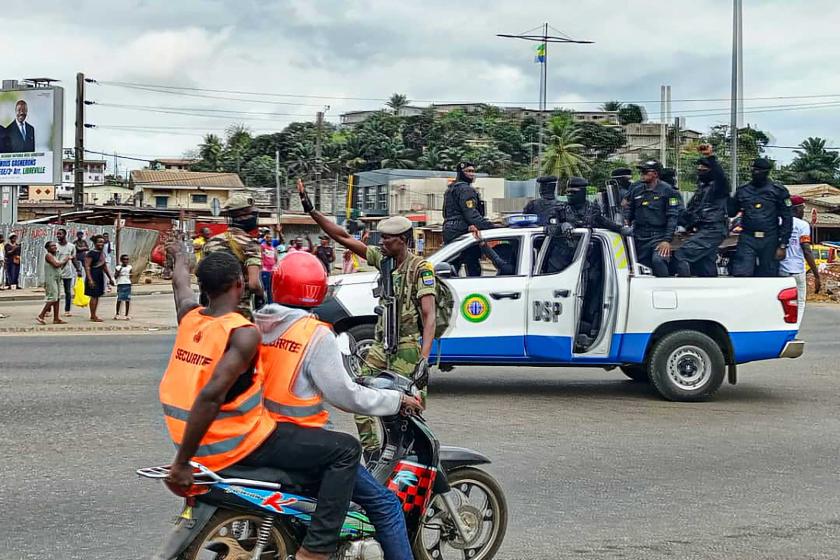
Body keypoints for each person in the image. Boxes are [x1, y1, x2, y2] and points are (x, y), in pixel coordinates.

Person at [162, 246, 357, 560]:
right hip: (240, 442)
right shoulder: (242, 333)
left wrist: (180, 257)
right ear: (239, 284)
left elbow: (179, 285)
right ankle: (317, 549)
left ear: (204, 287)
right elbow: (210, 397)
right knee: (346, 449)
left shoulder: (189, 317)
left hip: (193, 441)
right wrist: (181, 465)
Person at [255, 251, 423, 560]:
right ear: (318, 289)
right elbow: (347, 395)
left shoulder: (258, 324)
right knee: (385, 504)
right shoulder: (314, 334)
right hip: (305, 443)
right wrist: (396, 400)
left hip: (259, 435)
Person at [298, 178, 437, 456]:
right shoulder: (382, 260)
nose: (382, 241)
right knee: (357, 394)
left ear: (403, 240)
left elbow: (429, 314)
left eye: (388, 238)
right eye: (381, 237)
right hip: (380, 345)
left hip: (407, 347)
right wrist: (312, 210)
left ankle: (410, 454)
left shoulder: (421, 269)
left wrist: (424, 358)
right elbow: (343, 237)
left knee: (407, 405)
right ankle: (373, 451)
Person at [201, 192, 265, 318]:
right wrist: (263, 295)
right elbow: (254, 284)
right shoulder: (251, 244)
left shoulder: (211, 243)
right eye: (252, 214)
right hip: (239, 315)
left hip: (212, 314)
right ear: (242, 216)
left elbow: (202, 279)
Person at [672, 145, 731, 278]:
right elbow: (692, 212)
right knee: (705, 263)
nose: (700, 170)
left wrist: (710, 157)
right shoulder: (702, 190)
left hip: (713, 229)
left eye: (704, 169)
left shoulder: (719, 187)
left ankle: (683, 288)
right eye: (698, 169)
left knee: (681, 255)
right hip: (703, 229)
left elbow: (720, 176)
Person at [730, 158, 793, 277]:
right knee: (741, 273)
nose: (755, 173)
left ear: (767, 172)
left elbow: (787, 218)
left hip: (770, 238)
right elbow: (731, 212)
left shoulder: (778, 191)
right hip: (748, 238)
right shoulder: (742, 191)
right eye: (754, 170)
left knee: (768, 275)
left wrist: (783, 245)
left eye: (759, 170)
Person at [623, 160, 682, 277]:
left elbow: (672, 216)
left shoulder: (668, 191)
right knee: (642, 267)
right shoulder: (636, 190)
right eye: (641, 172)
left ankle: (666, 287)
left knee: (658, 261)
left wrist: (667, 240)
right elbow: (630, 210)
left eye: (645, 172)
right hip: (640, 236)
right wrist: (626, 220)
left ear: (655, 174)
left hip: (659, 236)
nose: (642, 174)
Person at [442, 161, 495, 276]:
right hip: (463, 230)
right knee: (473, 265)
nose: (472, 174)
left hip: (449, 230)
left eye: (473, 171)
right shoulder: (466, 190)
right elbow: (471, 214)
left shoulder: (450, 190)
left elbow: (445, 213)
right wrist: (491, 226)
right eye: (468, 171)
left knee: (451, 265)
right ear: (461, 173)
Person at [779, 195, 821, 319]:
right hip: (796, 270)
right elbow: (806, 250)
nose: (803, 211)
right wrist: (816, 275)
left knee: (782, 302)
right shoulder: (802, 225)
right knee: (800, 302)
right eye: (802, 208)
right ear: (797, 209)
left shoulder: (779, 222)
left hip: (780, 269)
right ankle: (795, 330)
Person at [36, 241, 70, 325]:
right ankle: (41, 315)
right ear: (47, 248)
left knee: (57, 298)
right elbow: (56, 264)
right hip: (50, 279)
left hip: (56, 278)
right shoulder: (48, 255)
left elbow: (60, 266)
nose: (55, 247)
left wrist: (65, 261)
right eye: (52, 246)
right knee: (53, 297)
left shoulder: (55, 256)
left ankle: (56, 318)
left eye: (55, 245)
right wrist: (65, 260)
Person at [84, 234, 115, 322]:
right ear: (95, 243)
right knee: (93, 296)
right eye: (99, 242)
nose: (101, 244)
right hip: (93, 275)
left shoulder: (102, 253)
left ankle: (94, 314)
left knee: (97, 296)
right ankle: (93, 315)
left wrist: (110, 278)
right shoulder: (91, 253)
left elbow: (104, 266)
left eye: (102, 242)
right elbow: (87, 266)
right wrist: (90, 279)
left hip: (99, 276)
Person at [54, 228, 80, 316]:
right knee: (54, 292)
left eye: (60, 234)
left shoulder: (71, 246)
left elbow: (74, 258)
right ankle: (50, 309)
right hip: (56, 271)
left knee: (67, 292)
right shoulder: (55, 246)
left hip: (67, 272)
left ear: (65, 235)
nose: (58, 236)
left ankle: (67, 310)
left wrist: (78, 269)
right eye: (57, 234)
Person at [114, 254, 133, 320]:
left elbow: (131, 276)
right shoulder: (118, 267)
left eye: (127, 259)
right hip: (120, 284)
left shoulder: (130, 267)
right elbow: (115, 276)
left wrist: (130, 277)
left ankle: (127, 314)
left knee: (127, 299)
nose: (126, 261)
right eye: (124, 259)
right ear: (121, 260)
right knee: (119, 299)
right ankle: (117, 313)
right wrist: (119, 272)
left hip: (127, 283)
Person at [260, 235, 277, 303]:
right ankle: (263, 302)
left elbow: (276, 258)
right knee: (265, 287)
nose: (270, 240)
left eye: (271, 238)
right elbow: (260, 255)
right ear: (265, 239)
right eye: (268, 238)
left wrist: (276, 266)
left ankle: (270, 303)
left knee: (271, 288)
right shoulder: (262, 246)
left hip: (272, 270)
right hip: (265, 270)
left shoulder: (273, 247)